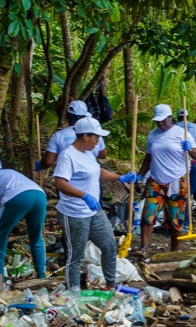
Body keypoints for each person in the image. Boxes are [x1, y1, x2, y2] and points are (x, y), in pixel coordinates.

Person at [53, 117, 138, 291]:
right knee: (75, 256)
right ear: (85, 136)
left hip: (94, 211)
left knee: (109, 245)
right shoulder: (67, 156)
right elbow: (60, 183)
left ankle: (110, 285)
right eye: (96, 137)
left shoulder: (88, 153)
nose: (99, 141)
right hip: (74, 213)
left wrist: (120, 177)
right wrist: (83, 195)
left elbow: (97, 171)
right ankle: (74, 292)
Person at [0, 169, 47, 291]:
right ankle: (42, 278)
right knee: (37, 238)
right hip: (39, 195)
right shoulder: (0, 176)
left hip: (18, 196)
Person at [138, 104, 196, 252]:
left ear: (170, 118)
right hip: (155, 181)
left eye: (163, 120)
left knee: (175, 218)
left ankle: (174, 250)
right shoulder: (152, 135)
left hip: (177, 180)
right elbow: (148, 158)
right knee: (148, 213)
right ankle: (143, 247)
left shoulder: (182, 133)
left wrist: (189, 149)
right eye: (158, 121)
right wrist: (140, 175)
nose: (160, 124)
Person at [39, 100, 108, 170]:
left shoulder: (58, 136)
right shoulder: (94, 135)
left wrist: (41, 165)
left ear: (67, 116)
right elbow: (103, 154)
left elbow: (48, 161)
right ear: (84, 118)